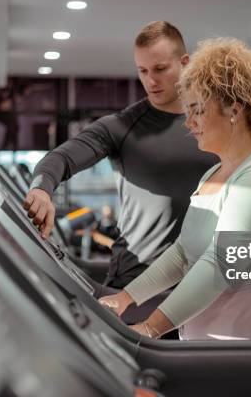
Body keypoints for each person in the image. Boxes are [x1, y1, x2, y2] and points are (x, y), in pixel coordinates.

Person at [98, 38, 251, 340]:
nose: (189, 123)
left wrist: (151, 327)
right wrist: (126, 298)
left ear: (234, 111)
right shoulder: (214, 173)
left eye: (197, 110)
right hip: (213, 329)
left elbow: (221, 262)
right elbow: (181, 253)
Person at [24, 21, 217, 288]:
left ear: (185, 62)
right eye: (143, 71)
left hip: (205, 285)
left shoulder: (216, 123)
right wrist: (41, 189)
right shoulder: (123, 126)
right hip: (136, 283)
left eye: (160, 69)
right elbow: (59, 159)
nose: (151, 81)